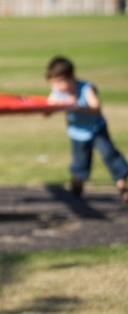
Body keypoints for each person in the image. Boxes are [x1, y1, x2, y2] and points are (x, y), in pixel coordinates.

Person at [45, 56, 128, 203]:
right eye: (53, 83)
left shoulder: (85, 88)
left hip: (96, 129)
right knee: (80, 161)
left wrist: (78, 107)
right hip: (77, 133)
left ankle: (122, 186)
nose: (56, 87)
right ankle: (77, 185)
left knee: (109, 154)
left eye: (59, 82)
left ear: (71, 77)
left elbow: (96, 108)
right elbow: (45, 113)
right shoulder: (58, 93)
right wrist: (53, 106)